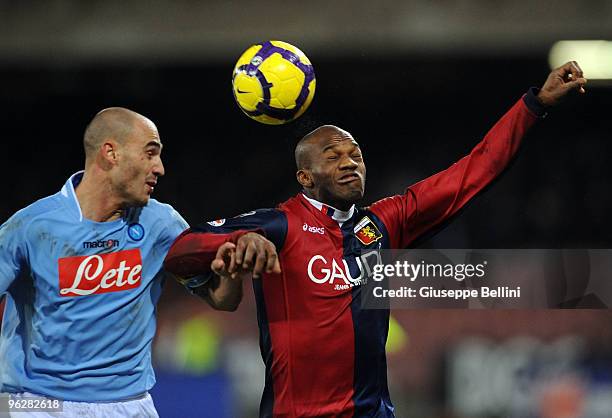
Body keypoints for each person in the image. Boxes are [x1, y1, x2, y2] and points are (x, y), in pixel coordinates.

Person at [164, 62, 587, 418]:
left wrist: (534, 106)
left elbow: (475, 170)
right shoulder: (277, 225)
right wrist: (231, 248)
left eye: (356, 155)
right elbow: (181, 248)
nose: (350, 164)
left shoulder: (385, 222)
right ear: (305, 177)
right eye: (333, 157)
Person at [0, 107, 278, 417]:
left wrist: (230, 273)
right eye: (150, 153)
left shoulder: (162, 224)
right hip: (41, 403)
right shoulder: (29, 228)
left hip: (131, 404)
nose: (159, 168)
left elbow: (222, 301)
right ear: (111, 153)